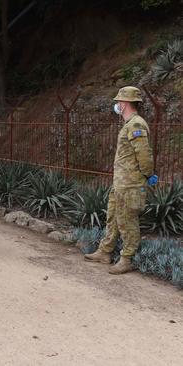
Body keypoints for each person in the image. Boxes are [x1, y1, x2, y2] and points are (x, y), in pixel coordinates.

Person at [84, 86, 157, 275]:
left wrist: (148, 175)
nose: (116, 105)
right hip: (121, 184)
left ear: (124, 104)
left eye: (118, 102)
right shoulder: (130, 124)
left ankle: (127, 259)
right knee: (113, 217)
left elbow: (144, 155)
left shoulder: (136, 125)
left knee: (127, 221)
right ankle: (105, 252)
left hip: (131, 184)